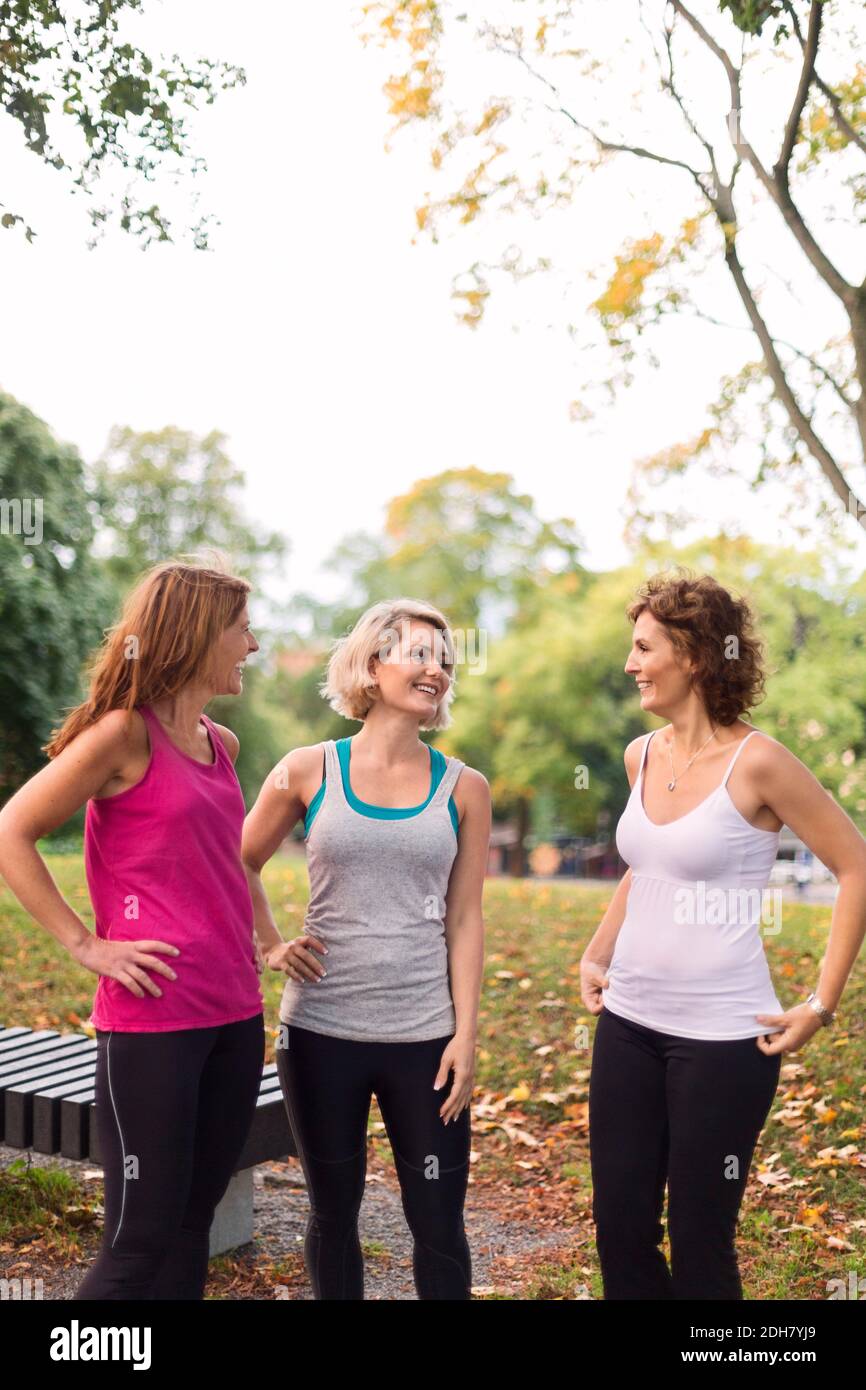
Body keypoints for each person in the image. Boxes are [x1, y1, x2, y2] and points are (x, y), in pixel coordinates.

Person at [581, 571, 866, 1300]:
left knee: (701, 1243)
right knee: (620, 1232)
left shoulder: (760, 762)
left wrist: (821, 1003)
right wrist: (597, 951)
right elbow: (649, 866)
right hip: (628, 1026)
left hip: (723, 1042)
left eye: (644, 648)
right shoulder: (639, 755)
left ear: (697, 655)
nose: (630, 663)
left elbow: (855, 863)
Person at [0, 558, 264, 1300]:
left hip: (235, 1015)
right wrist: (85, 944)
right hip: (153, 1023)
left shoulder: (223, 745)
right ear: (198, 634)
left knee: (191, 1228)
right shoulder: (123, 736)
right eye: (241, 628)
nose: (251, 644)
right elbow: (12, 830)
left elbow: (224, 866)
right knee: (136, 1242)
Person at [242, 598, 490, 1300]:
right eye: (418, 653)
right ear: (371, 664)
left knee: (438, 1218)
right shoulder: (307, 769)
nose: (435, 669)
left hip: (424, 1035)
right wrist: (270, 943)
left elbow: (465, 917)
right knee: (332, 1211)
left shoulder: (465, 788)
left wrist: (465, 1036)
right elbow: (239, 861)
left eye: (444, 660)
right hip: (321, 1031)